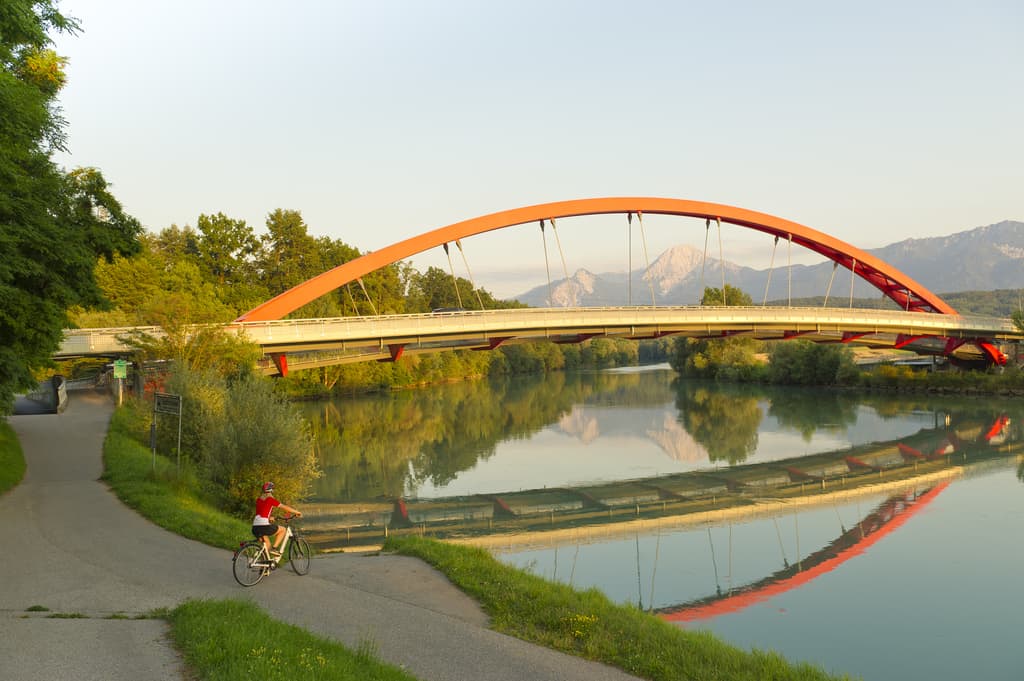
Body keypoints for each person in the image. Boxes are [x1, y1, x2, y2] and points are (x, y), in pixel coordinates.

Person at [252, 481, 301, 561]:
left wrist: (269, 518)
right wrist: (297, 512)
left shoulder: (259, 500)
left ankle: (263, 569)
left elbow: (260, 513)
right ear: (271, 491)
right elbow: (284, 507)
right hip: (263, 526)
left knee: (266, 548)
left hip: (255, 527)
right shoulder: (270, 499)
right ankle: (274, 549)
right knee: (283, 530)